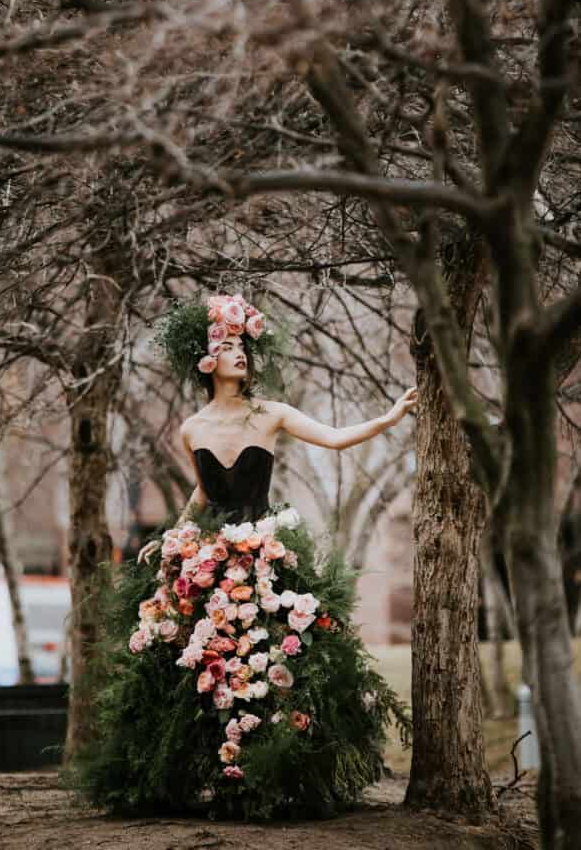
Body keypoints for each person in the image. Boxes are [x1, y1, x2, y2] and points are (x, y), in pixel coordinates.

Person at [68, 293, 416, 820]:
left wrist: (391, 416)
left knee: (278, 666)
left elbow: (336, 438)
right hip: (209, 561)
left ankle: (272, 780)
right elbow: (202, 493)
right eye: (228, 346)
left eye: (242, 347)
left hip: (266, 556)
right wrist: (171, 536)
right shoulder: (191, 427)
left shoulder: (271, 414)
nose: (240, 354)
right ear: (206, 361)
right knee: (200, 667)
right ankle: (198, 777)